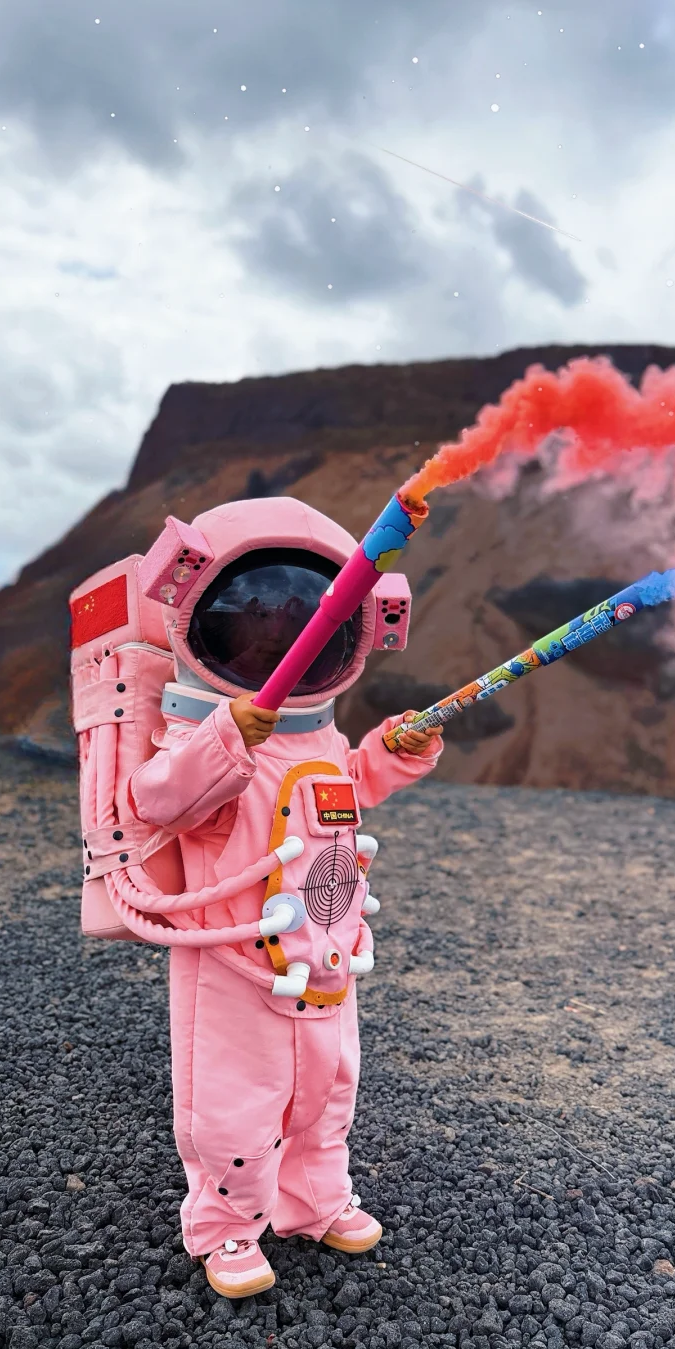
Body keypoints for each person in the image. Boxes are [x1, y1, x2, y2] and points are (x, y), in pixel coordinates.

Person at [126, 498, 440, 1298]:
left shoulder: (320, 737)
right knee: (232, 1102)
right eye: (254, 619)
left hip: (326, 943)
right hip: (234, 957)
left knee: (328, 1087)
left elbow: (348, 790)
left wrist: (393, 751)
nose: (278, 638)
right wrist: (228, 735)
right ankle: (227, 1227)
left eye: (301, 621)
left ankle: (314, 1199)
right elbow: (157, 800)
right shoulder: (197, 734)